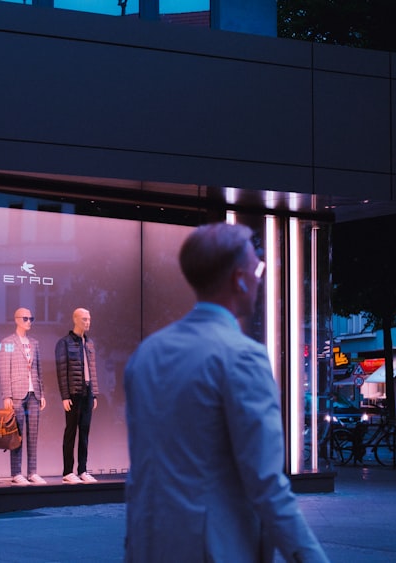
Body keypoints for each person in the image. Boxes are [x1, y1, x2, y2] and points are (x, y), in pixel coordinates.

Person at [123, 223, 329, 563]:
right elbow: (266, 484)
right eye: (258, 268)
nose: (261, 278)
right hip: (215, 549)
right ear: (239, 278)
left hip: (148, 545)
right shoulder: (241, 356)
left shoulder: (146, 354)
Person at [0, 307, 47, 486]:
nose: (29, 322)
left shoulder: (35, 343)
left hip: (34, 393)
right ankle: (16, 472)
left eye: (31, 318)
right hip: (17, 394)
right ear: (16, 319)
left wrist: (42, 393)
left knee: (33, 435)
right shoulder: (7, 342)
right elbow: (4, 370)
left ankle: (32, 471)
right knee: (16, 435)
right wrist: (7, 395)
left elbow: (39, 369)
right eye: (25, 318)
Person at [55, 308, 99, 484]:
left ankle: (83, 470)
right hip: (73, 394)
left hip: (87, 393)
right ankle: (67, 471)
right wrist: (65, 396)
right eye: (83, 319)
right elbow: (62, 371)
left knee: (85, 433)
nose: (87, 322)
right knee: (71, 431)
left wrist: (94, 393)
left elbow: (93, 370)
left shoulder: (89, 343)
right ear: (75, 319)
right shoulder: (64, 343)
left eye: (89, 319)